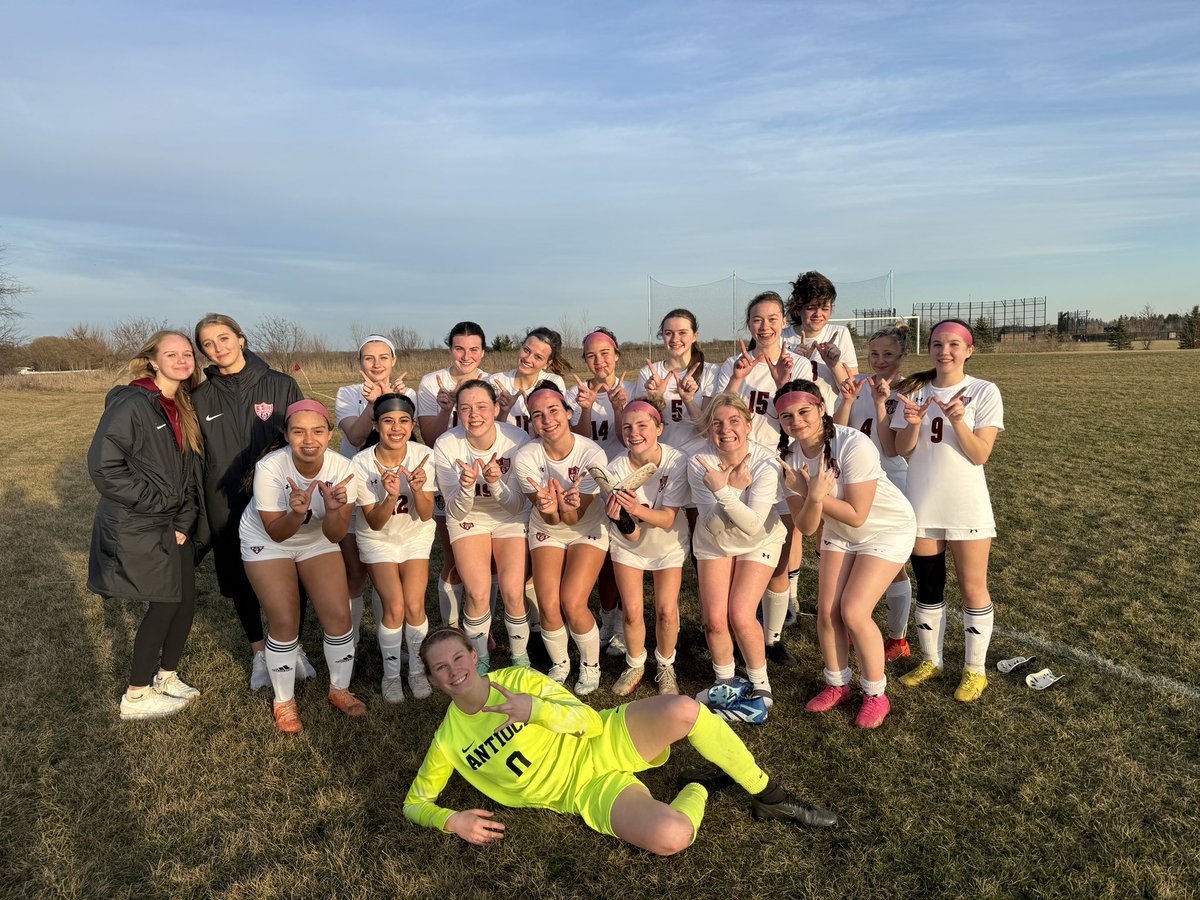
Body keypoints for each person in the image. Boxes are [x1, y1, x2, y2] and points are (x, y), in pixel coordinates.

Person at [403, 627, 837, 854]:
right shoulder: (448, 741)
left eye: (458, 657)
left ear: (474, 656)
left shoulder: (518, 680)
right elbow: (414, 803)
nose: (453, 670)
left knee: (685, 709)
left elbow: (587, 721)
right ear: (432, 679)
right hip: (584, 791)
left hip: (603, 738)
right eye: (440, 668)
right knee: (673, 836)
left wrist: (534, 710)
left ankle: (770, 796)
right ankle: (699, 783)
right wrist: (451, 821)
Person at [776, 381, 916, 728]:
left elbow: (857, 514)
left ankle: (876, 694)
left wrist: (814, 493)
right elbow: (807, 526)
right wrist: (811, 495)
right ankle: (837, 684)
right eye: (787, 416)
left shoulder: (853, 443)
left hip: (885, 528)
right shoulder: (790, 458)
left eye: (804, 412)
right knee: (827, 612)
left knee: (853, 611)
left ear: (821, 408)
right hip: (840, 533)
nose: (796, 421)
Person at [192, 313, 317, 690]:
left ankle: (291, 645)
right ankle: (259, 652)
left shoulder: (280, 384)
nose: (218, 348)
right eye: (208, 344)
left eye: (224, 338)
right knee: (240, 575)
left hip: (278, 497)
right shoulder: (200, 398)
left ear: (241, 338)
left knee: (291, 571)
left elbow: (303, 438)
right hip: (226, 500)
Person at [88, 331, 204, 720]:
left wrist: (183, 520)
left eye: (187, 353)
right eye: (171, 354)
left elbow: (186, 473)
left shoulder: (182, 404)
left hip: (173, 523)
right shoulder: (133, 403)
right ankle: (136, 696)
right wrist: (159, 506)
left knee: (184, 601)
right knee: (165, 603)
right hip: (141, 521)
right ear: (153, 360)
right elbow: (104, 467)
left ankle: (166, 677)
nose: (182, 360)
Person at [891, 319, 1004, 702]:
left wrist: (957, 421)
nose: (945, 351)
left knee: (973, 587)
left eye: (954, 344)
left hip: (966, 505)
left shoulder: (983, 391)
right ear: (929, 349)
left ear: (969, 350)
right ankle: (931, 660)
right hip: (923, 503)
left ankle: (975, 670)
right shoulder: (914, 390)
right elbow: (902, 449)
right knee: (929, 584)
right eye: (938, 344)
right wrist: (912, 423)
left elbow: (980, 454)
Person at [240, 400, 363, 732]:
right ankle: (284, 701)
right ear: (286, 435)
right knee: (284, 619)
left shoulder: (343, 469)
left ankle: (339, 689)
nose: (309, 440)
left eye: (318, 431)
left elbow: (334, 534)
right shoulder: (270, 467)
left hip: (315, 540)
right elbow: (276, 532)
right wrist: (296, 513)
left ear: (330, 434)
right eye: (298, 432)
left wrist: (334, 510)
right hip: (268, 540)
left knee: (339, 615)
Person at [686, 394, 788, 722]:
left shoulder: (765, 461)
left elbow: (753, 525)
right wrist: (729, 489)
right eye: (716, 423)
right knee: (715, 620)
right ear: (708, 429)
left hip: (759, 539)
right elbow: (712, 525)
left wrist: (724, 491)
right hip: (714, 540)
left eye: (733, 421)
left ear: (748, 424)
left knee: (741, 614)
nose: (725, 429)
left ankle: (760, 684)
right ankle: (725, 682)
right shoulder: (699, 461)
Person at [514, 383, 609, 695]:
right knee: (548, 602)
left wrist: (566, 507)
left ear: (569, 413)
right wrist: (550, 508)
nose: (547, 420)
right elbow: (553, 519)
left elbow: (574, 518)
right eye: (537, 415)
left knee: (572, 600)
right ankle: (560, 663)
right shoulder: (526, 456)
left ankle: (590, 665)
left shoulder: (592, 454)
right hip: (548, 526)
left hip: (585, 527)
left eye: (553, 410)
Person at [592, 399, 689, 697]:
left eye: (642, 426)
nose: (634, 433)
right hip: (630, 546)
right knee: (632, 613)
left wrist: (635, 508)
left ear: (659, 428)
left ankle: (665, 665)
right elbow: (632, 537)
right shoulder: (616, 468)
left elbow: (668, 518)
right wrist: (621, 517)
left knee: (667, 611)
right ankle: (635, 664)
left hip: (668, 543)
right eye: (627, 427)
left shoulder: (676, 461)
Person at [432, 380, 531, 672]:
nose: (474, 415)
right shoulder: (447, 444)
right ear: (458, 413)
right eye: (465, 408)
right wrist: (466, 487)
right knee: (477, 593)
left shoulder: (517, 439)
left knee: (513, 592)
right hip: (469, 517)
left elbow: (517, 506)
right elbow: (455, 510)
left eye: (482, 407)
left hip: (509, 516)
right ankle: (479, 660)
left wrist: (495, 483)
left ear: (496, 408)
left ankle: (519, 659)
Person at [832, 322, 914, 661]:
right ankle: (855, 625)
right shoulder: (858, 382)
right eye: (875, 354)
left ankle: (897, 637)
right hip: (853, 479)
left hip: (889, 479)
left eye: (888, 354)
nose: (880, 361)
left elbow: (893, 449)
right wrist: (847, 400)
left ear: (902, 355)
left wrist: (882, 403)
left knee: (893, 563)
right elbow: (836, 431)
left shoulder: (908, 389)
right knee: (853, 551)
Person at [352, 394, 437, 703]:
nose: (396, 428)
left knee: (414, 605)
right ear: (376, 425)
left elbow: (426, 514)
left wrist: (417, 489)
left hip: (415, 535)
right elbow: (375, 523)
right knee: (395, 606)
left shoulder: (424, 455)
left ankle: (415, 669)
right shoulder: (361, 463)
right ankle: (391, 676)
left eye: (404, 421)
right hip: (378, 539)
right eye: (388, 421)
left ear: (413, 425)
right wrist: (389, 496)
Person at [334, 334, 415, 648]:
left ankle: (389, 644)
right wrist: (374, 404)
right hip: (355, 489)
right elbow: (355, 438)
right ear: (360, 363)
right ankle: (349, 644)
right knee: (355, 574)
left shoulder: (408, 393)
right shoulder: (346, 393)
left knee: (388, 576)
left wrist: (394, 399)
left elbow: (408, 439)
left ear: (393, 361)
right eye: (369, 358)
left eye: (383, 357)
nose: (377, 364)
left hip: (391, 490)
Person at [417, 322, 489, 632]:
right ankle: (452, 627)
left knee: (487, 561)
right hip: (447, 477)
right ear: (450, 350)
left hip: (485, 479)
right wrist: (446, 410)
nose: (466, 356)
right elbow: (430, 438)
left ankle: (482, 625)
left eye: (474, 349)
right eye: (459, 348)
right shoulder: (432, 382)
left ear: (483, 352)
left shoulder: (491, 382)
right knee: (453, 557)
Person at [566, 327, 635, 656]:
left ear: (617, 355)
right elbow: (576, 442)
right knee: (604, 558)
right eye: (591, 356)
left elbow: (628, 440)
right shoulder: (575, 392)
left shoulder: (632, 389)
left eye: (605, 353)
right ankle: (608, 619)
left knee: (624, 557)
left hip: (625, 482)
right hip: (590, 485)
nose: (599, 361)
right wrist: (586, 409)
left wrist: (620, 408)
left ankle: (622, 624)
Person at [634, 308, 719, 451]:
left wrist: (688, 400)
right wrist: (655, 399)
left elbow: (706, 431)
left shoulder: (710, 372)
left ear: (695, 336)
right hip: (663, 456)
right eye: (668, 333)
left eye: (682, 333)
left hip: (699, 455)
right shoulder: (648, 373)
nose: (675, 339)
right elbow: (642, 428)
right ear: (662, 336)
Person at [782, 270, 859, 390]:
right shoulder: (781, 337)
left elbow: (853, 389)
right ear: (798, 308)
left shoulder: (841, 333)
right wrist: (797, 362)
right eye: (811, 308)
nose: (818, 314)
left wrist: (834, 364)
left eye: (825, 308)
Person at [489, 327, 570, 435]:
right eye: (526, 350)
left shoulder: (552, 382)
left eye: (538, 357)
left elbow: (554, 433)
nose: (528, 359)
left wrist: (533, 411)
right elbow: (490, 434)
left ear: (547, 364)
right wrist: (503, 413)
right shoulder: (497, 381)